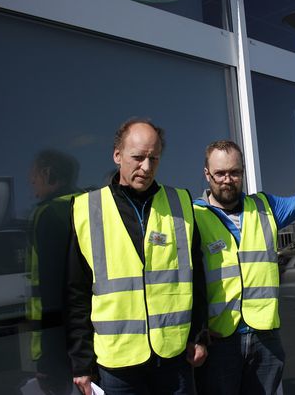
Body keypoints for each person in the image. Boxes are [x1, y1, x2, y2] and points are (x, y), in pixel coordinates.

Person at [193, 140, 295, 394]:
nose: (227, 179)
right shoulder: (194, 217)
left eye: (234, 172)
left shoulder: (265, 207)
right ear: (207, 174)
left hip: (265, 338)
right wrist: (195, 333)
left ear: (243, 172)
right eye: (220, 173)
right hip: (220, 340)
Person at [66, 119, 208, 395]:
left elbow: (197, 278)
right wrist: (81, 363)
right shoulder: (87, 209)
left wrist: (199, 336)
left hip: (173, 356)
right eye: (138, 157)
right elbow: (76, 293)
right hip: (118, 363)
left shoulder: (180, 204)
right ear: (117, 155)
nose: (146, 166)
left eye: (154, 158)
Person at [27, 149, 81, 394]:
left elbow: (52, 286)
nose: (31, 180)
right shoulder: (84, 206)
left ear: (49, 174)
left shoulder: (50, 214)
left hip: (57, 337)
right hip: (85, 333)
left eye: (35, 174)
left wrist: (49, 354)